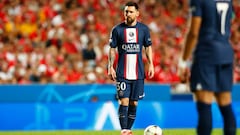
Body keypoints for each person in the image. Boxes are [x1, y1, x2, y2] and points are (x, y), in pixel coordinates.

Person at [178, 0, 237, 135]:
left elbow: (193, 33)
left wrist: (183, 61)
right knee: (225, 103)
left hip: (207, 54)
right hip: (226, 53)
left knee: (204, 103)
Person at [107, 1, 154, 135]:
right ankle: (124, 130)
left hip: (138, 73)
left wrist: (151, 64)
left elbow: (148, 47)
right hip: (122, 72)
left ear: (137, 14)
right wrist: (110, 67)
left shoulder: (144, 30)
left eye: (131, 12)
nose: (127, 14)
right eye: (126, 11)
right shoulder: (117, 30)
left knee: (134, 103)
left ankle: (128, 129)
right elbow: (112, 50)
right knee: (124, 101)